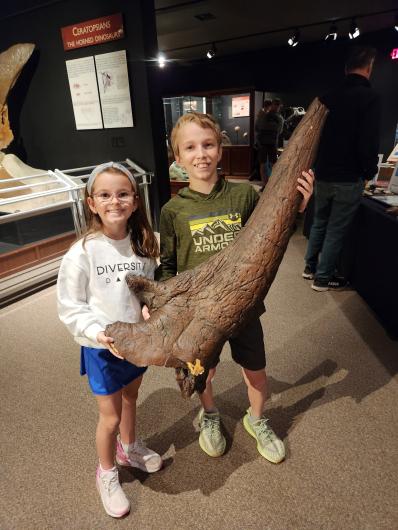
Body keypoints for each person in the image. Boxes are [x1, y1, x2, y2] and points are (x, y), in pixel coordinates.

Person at [156, 112, 313, 463]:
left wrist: (298, 206)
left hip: (243, 306)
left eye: (208, 144)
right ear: (177, 157)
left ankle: (257, 419)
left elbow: (272, 236)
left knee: (255, 369)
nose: (201, 154)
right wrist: (166, 305)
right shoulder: (172, 211)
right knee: (204, 372)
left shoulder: (244, 196)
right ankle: (209, 414)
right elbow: (168, 264)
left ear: (220, 149)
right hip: (200, 316)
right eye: (191, 147)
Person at [57, 162, 162, 518]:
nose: (113, 201)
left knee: (132, 397)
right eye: (104, 195)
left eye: (122, 194)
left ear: (134, 201)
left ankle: (128, 449)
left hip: (136, 343)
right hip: (103, 348)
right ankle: (106, 471)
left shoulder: (145, 244)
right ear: (91, 203)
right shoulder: (82, 252)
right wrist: (99, 334)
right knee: (110, 418)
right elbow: (72, 306)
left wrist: (148, 314)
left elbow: (145, 292)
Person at [303, 45, 381, 292]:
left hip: (324, 172)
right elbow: (368, 141)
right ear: (369, 69)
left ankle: (309, 267)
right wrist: (369, 172)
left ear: (346, 69)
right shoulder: (371, 98)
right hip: (349, 177)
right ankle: (323, 278)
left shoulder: (327, 97)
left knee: (319, 221)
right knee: (336, 229)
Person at [254, 98, 284, 187]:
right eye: (276, 105)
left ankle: (270, 185)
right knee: (265, 164)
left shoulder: (265, 116)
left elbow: (278, 130)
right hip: (266, 143)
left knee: (271, 164)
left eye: (277, 105)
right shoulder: (270, 116)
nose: (276, 107)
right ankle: (266, 185)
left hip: (269, 143)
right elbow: (258, 127)